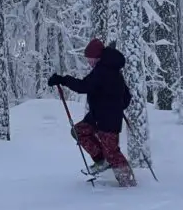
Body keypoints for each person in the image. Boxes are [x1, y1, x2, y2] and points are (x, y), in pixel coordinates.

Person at [48, 39, 136, 187]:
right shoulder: (108, 69)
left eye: (89, 58)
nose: (88, 61)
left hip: (108, 120)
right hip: (97, 117)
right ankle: (101, 160)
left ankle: (129, 183)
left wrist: (62, 80)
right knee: (78, 131)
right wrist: (117, 105)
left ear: (97, 57)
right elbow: (126, 97)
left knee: (113, 153)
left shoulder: (104, 71)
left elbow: (83, 86)